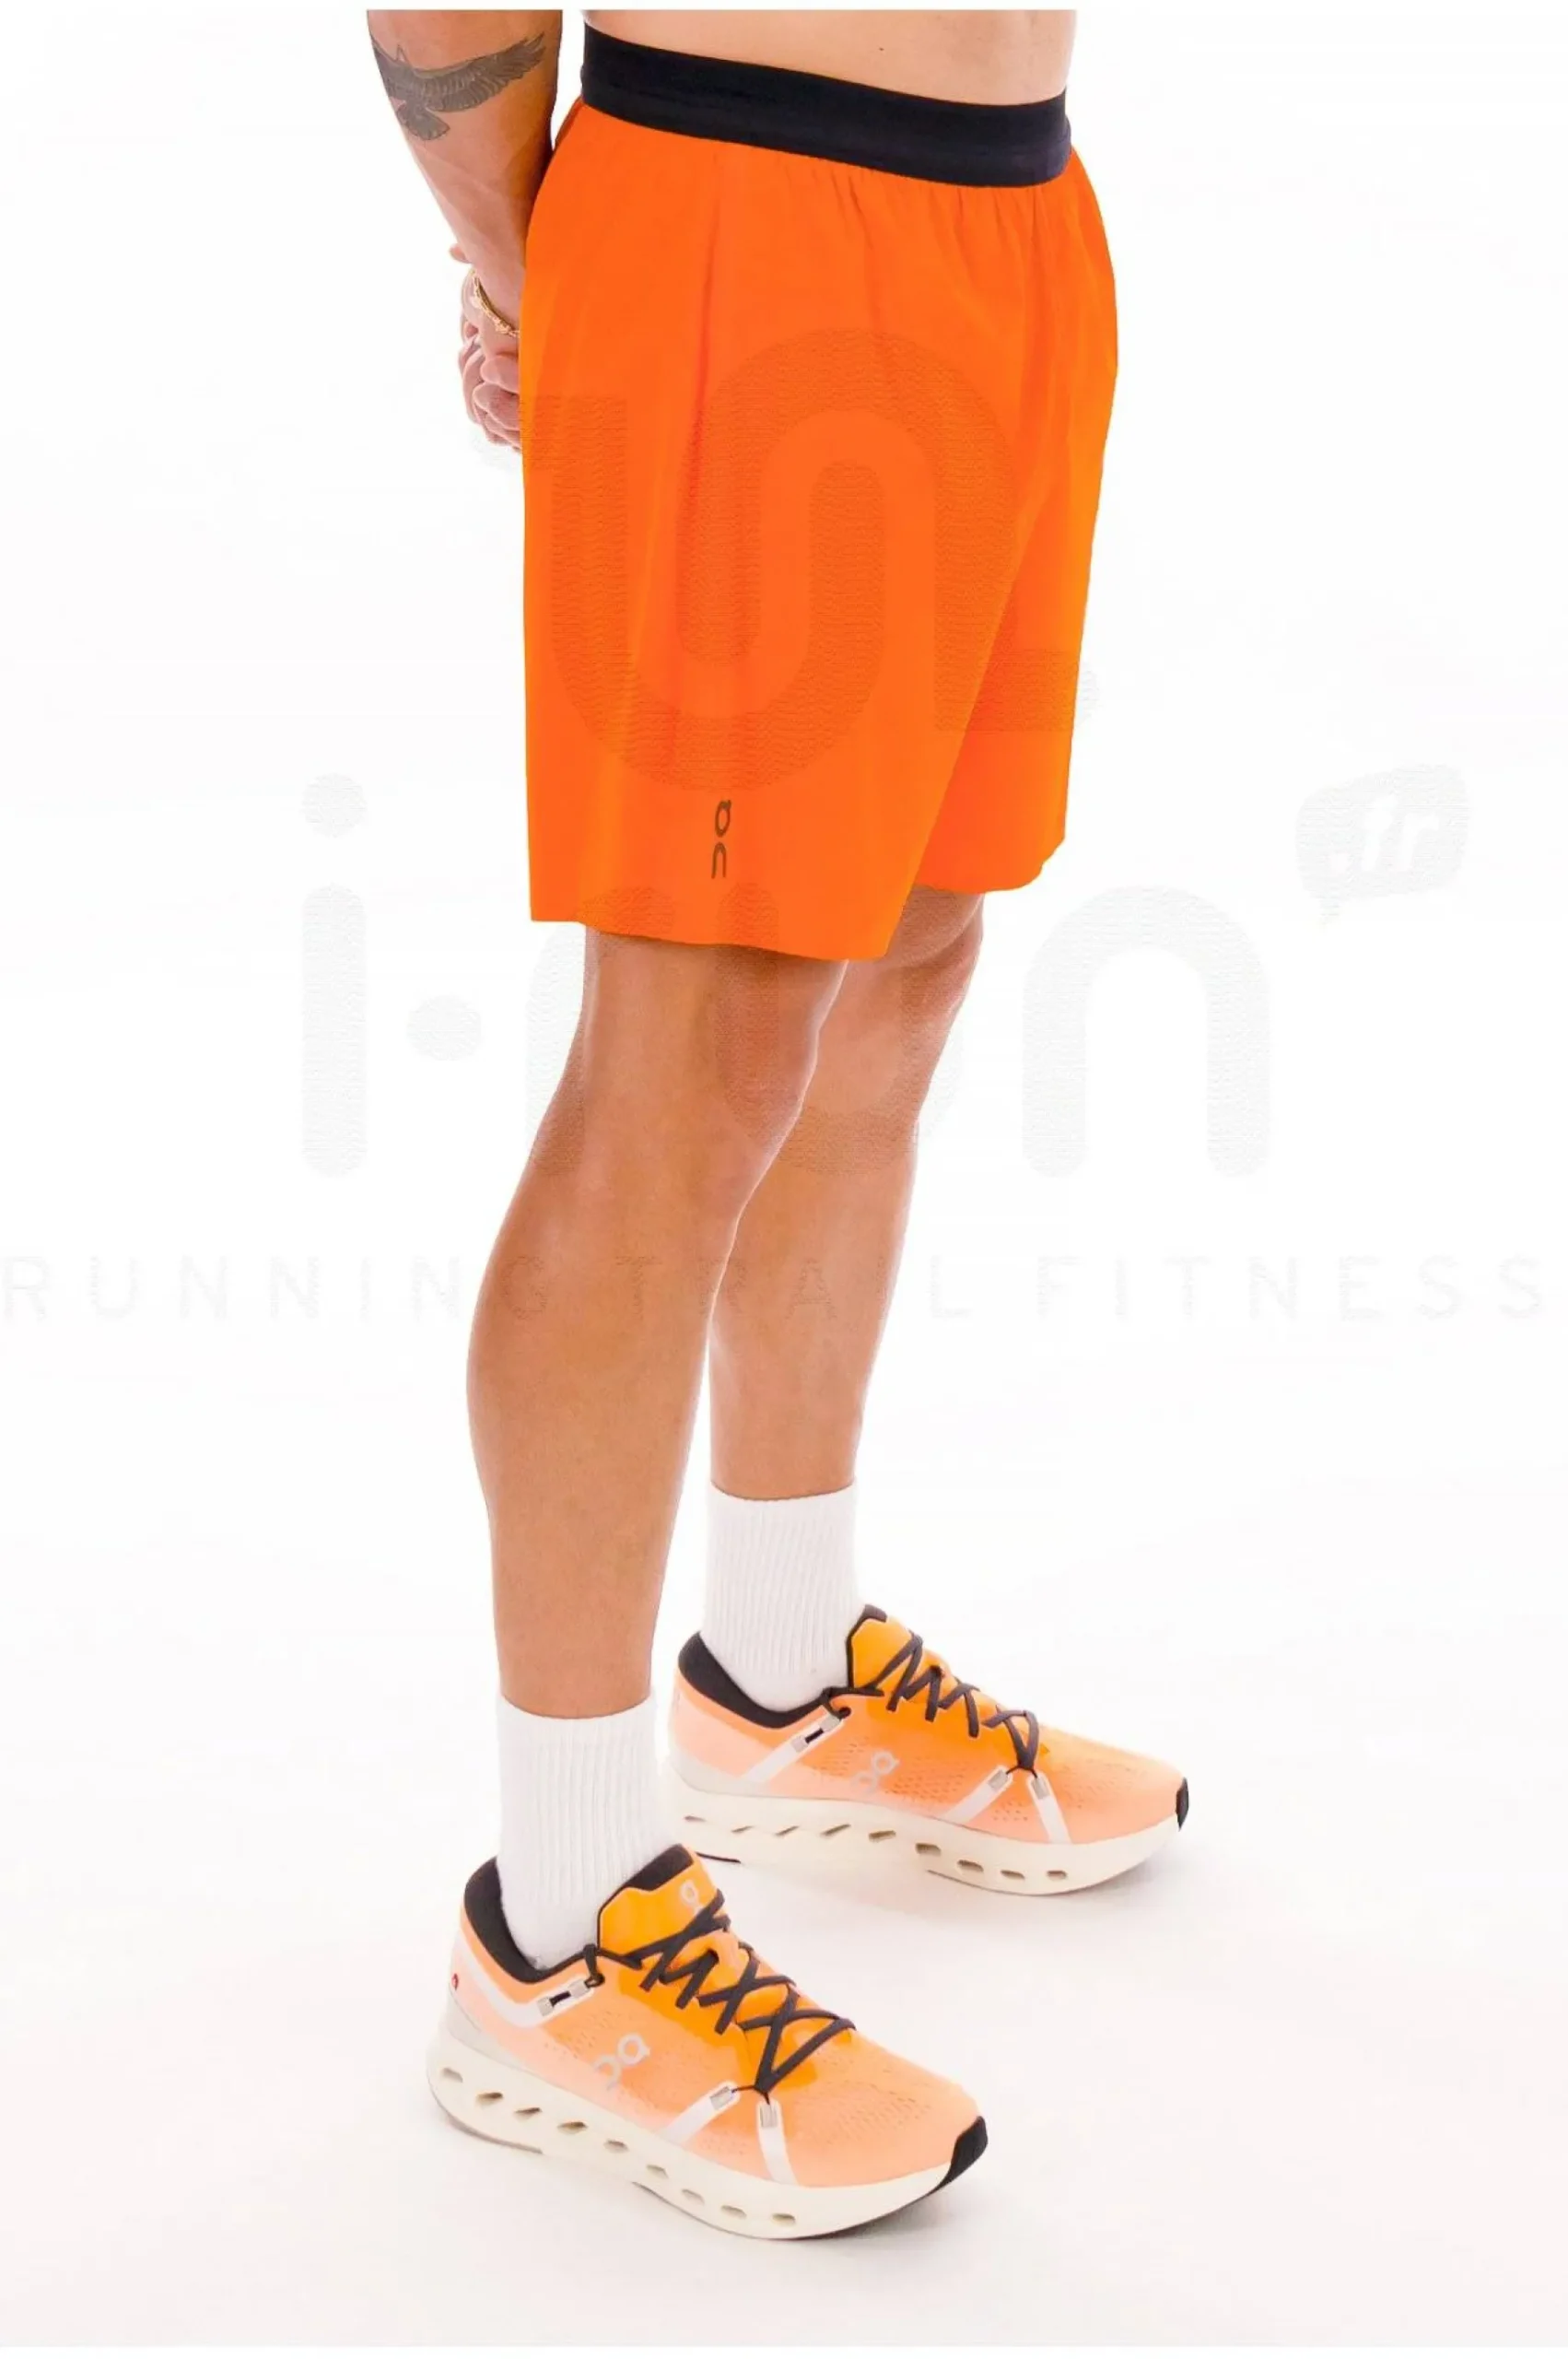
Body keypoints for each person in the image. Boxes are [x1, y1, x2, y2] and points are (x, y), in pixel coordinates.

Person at [369, 7, 1185, 2238]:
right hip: (744, 219)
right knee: (696, 1045)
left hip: (1012, 212)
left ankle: (778, 1668)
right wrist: (537, 265)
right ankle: (555, 1929)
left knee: (906, 952)